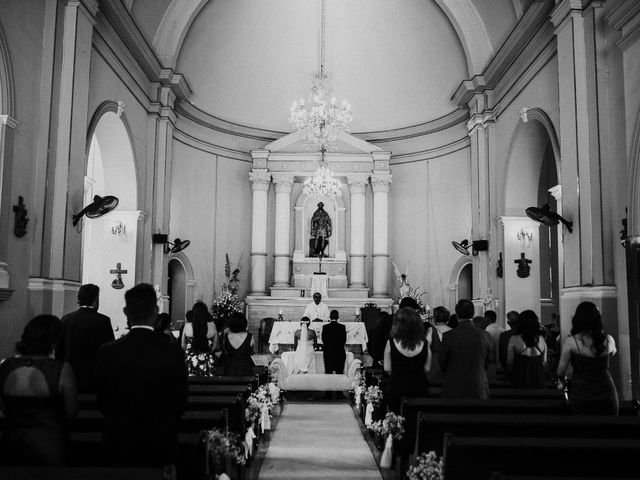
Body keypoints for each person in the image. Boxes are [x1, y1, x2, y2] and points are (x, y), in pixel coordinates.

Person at [96, 283, 188, 467]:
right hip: (160, 438)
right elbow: (180, 402)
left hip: (118, 438)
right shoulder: (172, 352)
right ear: (156, 310)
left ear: (125, 311)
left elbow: (103, 400)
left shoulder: (107, 351)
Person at [0, 315, 78, 466]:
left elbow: (3, 407)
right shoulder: (62, 369)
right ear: (54, 341)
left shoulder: (5, 366)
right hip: (50, 445)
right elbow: (71, 412)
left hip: (12, 442)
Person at [557, 302, 619, 415]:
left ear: (577, 319)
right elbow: (613, 352)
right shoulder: (608, 339)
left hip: (580, 394)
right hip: (606, 393)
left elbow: (560, 372)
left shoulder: (571, 342)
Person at [55, 284, 114, 393]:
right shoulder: (103, 321)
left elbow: (59, 350)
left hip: (69, 375)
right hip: (93, 378)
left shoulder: (66, 319)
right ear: (96, 299)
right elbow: (108, 352)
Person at [439, 299, 494, 399]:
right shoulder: (485, 335)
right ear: (473, 313)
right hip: (478, 386)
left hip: (453, 386)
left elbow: (442, 362)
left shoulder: (448, 336)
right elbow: (490, 360)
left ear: (457, 314)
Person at [383, 307, 430, 414]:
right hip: (419, 387)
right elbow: (427, 368)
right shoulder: (425, 343)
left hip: (397, 387)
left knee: (397, 421)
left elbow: (387, 368)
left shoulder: (390, 343)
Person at [507, 310, 547, 388]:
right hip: (538, 378)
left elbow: (509, 362)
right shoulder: (541, 339)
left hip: (519, 378)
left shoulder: (514, 339)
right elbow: (544, 362)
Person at [182, 301, 218, 377]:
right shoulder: (212, 325)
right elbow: (216, 345)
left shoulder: (187, 326)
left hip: (190, 361)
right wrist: (208, 352)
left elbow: (183, 345)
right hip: (206, 361)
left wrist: (189, 353)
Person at [222, 312, 254, 376]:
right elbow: (252, 352)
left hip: (230, 370)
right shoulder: (250, 336)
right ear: (244, 323)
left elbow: (225, 351)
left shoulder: (226, 336)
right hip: (246, 370)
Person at [322, 310, 347, 374]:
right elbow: (344, 340)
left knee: (328, 372)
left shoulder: (325, 327)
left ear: (330, 317)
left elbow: (323, 340)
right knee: (340, 372)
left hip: (328, 352)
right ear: (338, 317)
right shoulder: (342, 327)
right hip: (340, 352)